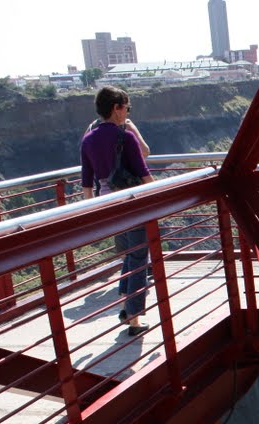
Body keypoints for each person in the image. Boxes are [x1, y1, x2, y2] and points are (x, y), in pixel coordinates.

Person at [80, 86, 154, 335]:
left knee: (130, 255)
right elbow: (144, 175)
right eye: (126, 107)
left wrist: (94, 212)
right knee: (139, 257)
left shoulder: (88, 139)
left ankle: (125, 299)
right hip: (132, 203)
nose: (127, 112)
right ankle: (133, 317)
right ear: (116, 108)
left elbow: (86, 182)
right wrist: (162, 198)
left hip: (108, 205)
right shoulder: (126, 137)